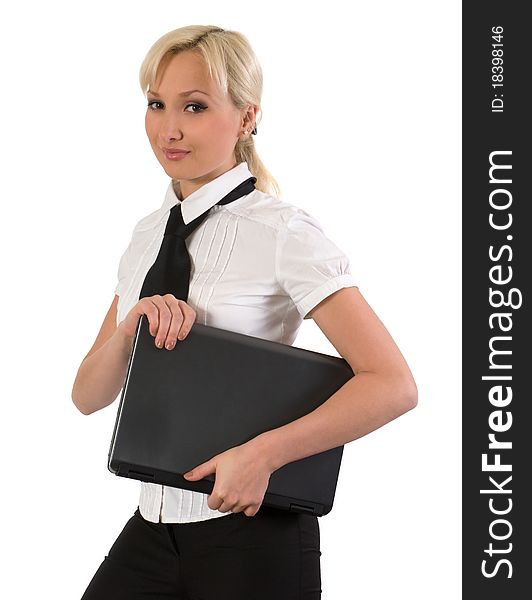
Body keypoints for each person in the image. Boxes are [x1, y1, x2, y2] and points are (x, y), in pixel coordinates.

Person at [72, 24, 418, 600]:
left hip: (255, 536)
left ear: (247, 116)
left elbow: (393, 385)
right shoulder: (146, 236)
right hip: (154, 529)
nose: (169, 128)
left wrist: (263, 456)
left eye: (196, 106)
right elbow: (87, 396)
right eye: (156, 104)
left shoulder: (284, 232)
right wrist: (130, 326)